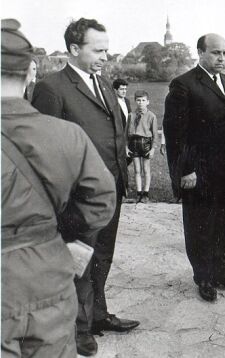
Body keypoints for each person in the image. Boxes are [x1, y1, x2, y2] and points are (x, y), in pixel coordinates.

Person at [1, 19, 116, 358]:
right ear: (29, 73)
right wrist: (58, 235)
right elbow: (101, 201)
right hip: (49, 273)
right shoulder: (69, 135)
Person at [32, 17, 139, 356]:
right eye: (99, 49)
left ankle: (98, 315)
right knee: (78, 261)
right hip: (77, 198)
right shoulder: (52, 88)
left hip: (110, 189)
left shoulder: (104, 83)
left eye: (106, 49)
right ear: (74, 49)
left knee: (102, 257)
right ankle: (77, 330)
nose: (106, 56)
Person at [163, 33, 225, 302]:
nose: (221, 58)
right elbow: (176, 134)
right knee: (200, 224)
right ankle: (203, 276)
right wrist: (185, 170)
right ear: (200, 52)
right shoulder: (184, 85)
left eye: (224, 53)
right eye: (215, 53)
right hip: (200, 173)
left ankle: (220, 270)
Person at [126, 90, 158, 203]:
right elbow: (126, 134)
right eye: (138, 100)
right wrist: (126, 147)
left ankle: (146, 193)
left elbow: (155, 135)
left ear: (148, 102)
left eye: (143, 100)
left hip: (146, 144)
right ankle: (138, 193)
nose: (141, 102)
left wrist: (153, 149)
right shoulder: (131, 115)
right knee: (137, 170)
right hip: (134, 143)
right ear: (135, 101)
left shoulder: (151, 116)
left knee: (146, 169)